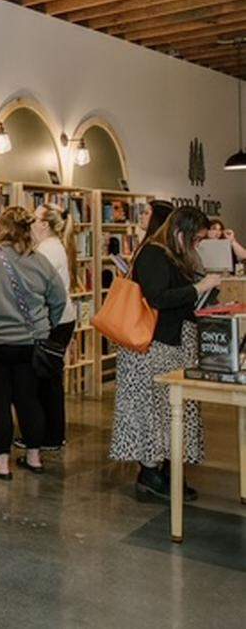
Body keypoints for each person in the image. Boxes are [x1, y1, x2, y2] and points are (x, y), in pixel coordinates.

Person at [110, 206, 220, 500]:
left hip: (172, 345)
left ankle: (168, 469)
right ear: (179, 233)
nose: (198, 245)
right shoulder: (153, 254)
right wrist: (199, 288)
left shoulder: (174, 255)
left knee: (171, 410)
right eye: (196, 239)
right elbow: (158, 297)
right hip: (152, 346)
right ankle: (150, 473)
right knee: (152, 409)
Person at [0, 206, 66, 479]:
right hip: (31, 342)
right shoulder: (40, 261)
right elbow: (59, 299)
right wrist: (45, 326)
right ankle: (34, 458)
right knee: (29, 399)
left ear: (1, 228)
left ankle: (1, 463)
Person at [28, 202, 78, 452]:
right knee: (49, 379)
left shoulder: (47, 250)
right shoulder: (53, 246)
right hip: (61, 318)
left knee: (45, 381)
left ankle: (48, 436)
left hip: (53, 320)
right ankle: (52, 434)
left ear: (44, 224)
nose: (30, 222)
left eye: (34, 218)